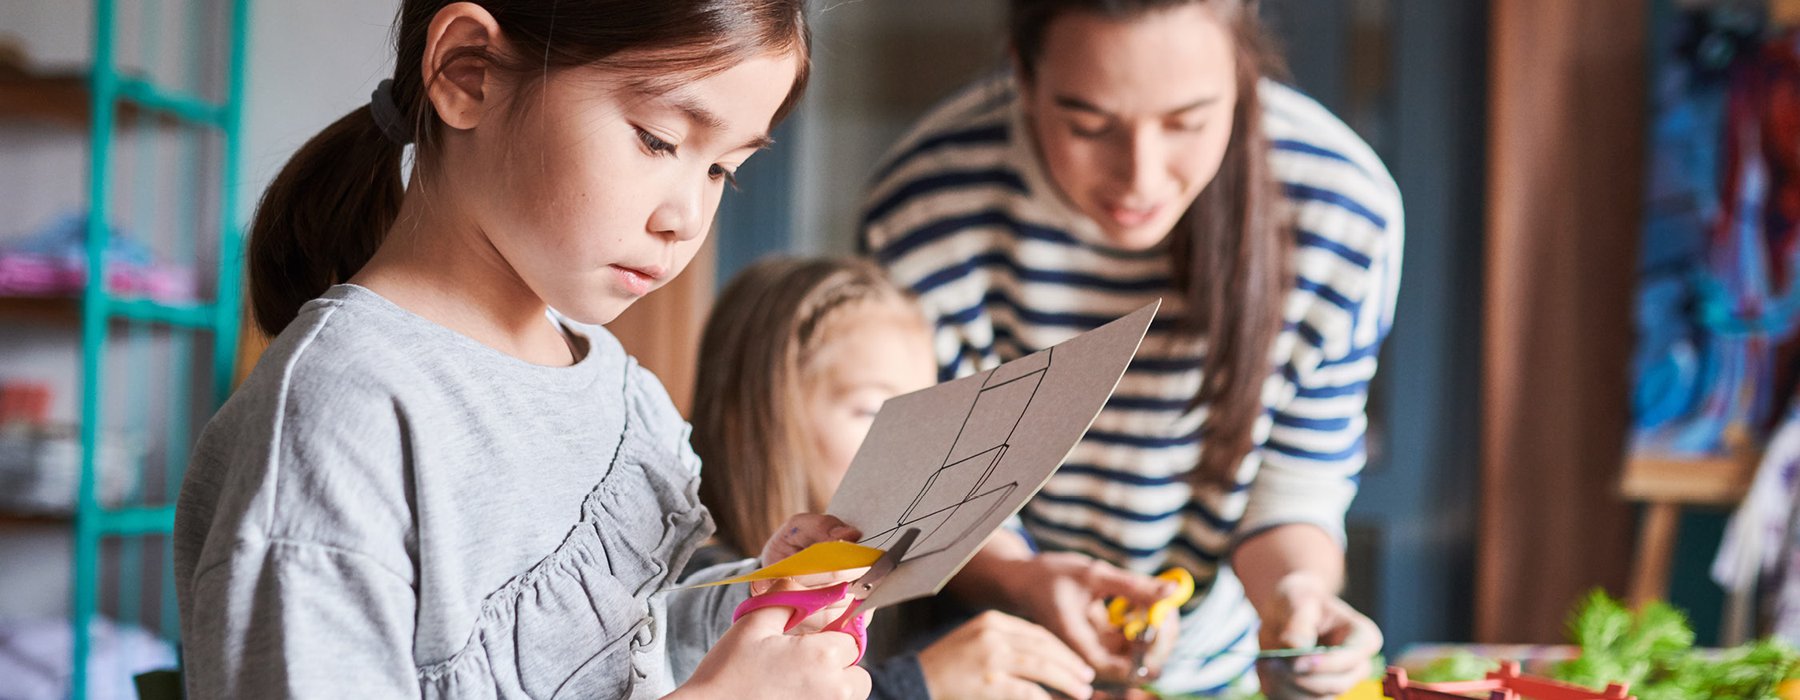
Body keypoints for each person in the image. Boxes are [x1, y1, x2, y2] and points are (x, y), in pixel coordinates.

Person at [172, 1, 871, 697]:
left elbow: (618, 649)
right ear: (468, 73)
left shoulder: (622, 392)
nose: (685, 218)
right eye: (658, 140)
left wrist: (751, 606)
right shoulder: (341, 417)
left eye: (723, 170)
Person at [861, 0, 1402, 697]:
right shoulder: (925, 206)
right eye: (1089, 124)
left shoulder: (1340, 210)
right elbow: (937, 491)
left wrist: (1296, 596)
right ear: (1022, 73)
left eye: (1188, 122)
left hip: (1220, 663)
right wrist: (1023, 581)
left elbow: (1298, 482)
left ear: (1242, 72)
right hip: (993, 658)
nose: (1140, 178)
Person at [688, 257, 1116, 700]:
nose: (920, 446)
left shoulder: (887, 564)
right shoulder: (696, 593)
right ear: (755, 421)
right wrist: (922, 683)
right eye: (874, 412)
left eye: (927, 416)